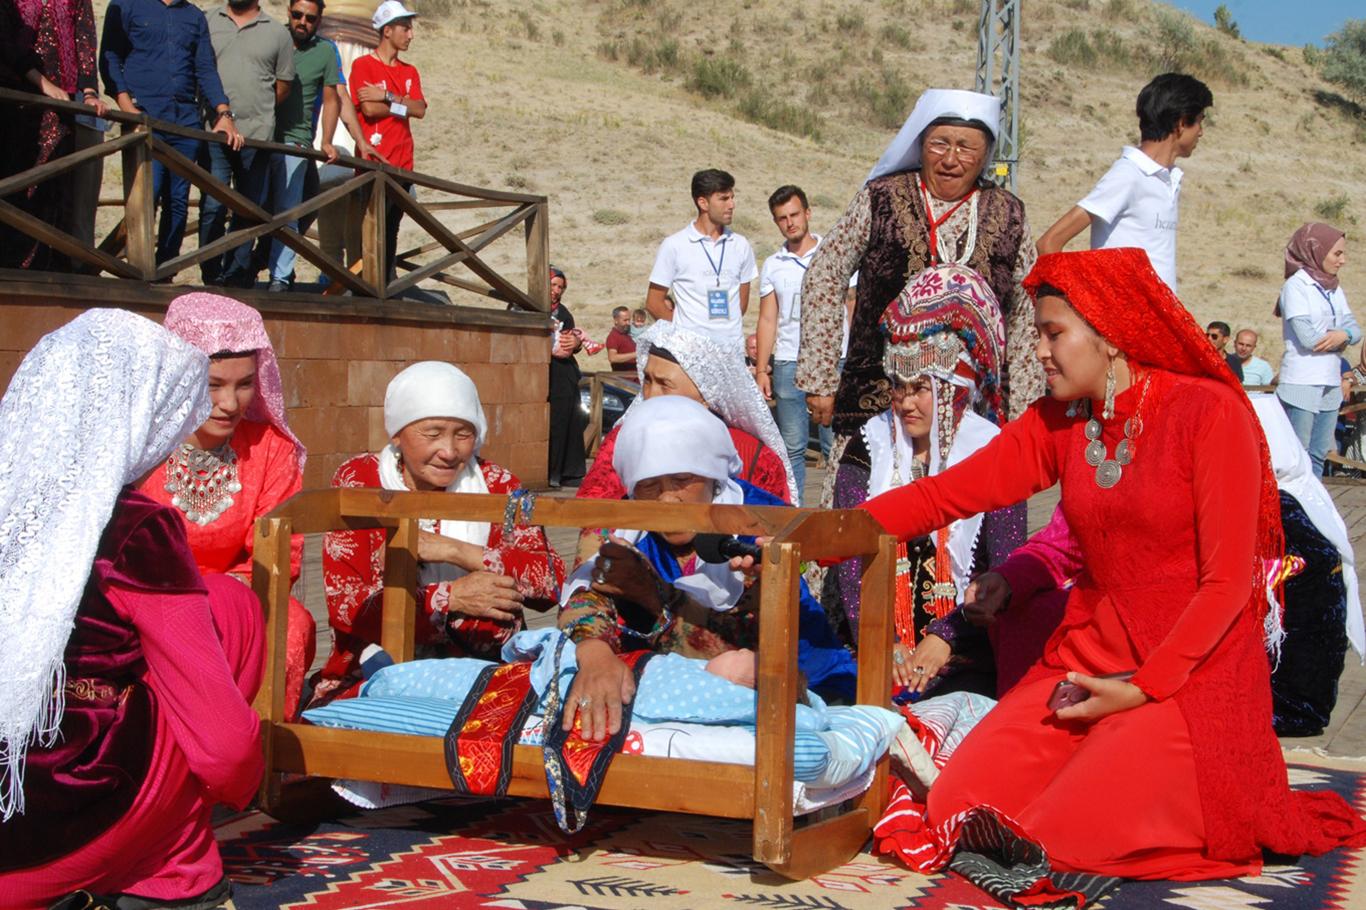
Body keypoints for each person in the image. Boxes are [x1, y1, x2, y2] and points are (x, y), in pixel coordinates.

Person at [864, 248, 1366, 897]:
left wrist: (1140, 689)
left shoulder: (1210, 413)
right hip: (1087, 660)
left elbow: (1225, 587)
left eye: (1053, 334)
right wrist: (818, 533)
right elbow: (945, 495)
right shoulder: (1060, 422)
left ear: (1109, 330)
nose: (1040, 351)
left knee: (1064, 833)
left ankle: (1150, 803)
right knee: (959, 803)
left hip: (1189, 679)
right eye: (1037, 334)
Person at [0, 310, 264, 909]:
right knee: (232, 607)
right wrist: (242, 786)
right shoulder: (134, 528)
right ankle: (174, 865)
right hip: (57, 840)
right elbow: (221, 747)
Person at [797, 88, 1044, 523]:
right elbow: (825, 271)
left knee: (962, 527)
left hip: (973, 414)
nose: (951, 159)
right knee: (858, 521)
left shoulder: (1008, 214)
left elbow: (1026, 307)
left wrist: (1023, 408)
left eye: (966, 147)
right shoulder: (883, 198)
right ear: (920, 145)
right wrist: (820, 377)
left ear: (986, 155)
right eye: (939, 144)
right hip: (879, 398)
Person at [559, 395, 857, 741]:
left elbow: (756, 651)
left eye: (681, 480)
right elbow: (583, 597)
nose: (667, 499)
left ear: (711, 474)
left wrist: (654, 600)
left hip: (795, 679)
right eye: (650, 485)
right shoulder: (621, 524)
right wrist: (595, 655)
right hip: (675, 686)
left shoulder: (759, 518)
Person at [312, 361, 565, 704]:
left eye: (463, 434)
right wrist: (450, 598)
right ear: (397, 433)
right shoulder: (361, 482)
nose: (449, 451)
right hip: (374, 670)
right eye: (432, 434)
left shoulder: (497, 485)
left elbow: (550, 582)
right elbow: (347, 607)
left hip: (482, 670)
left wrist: (455, 551)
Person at [828, 264, 1011, 697]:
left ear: (951, 389)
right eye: (898, 387)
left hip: (963, 647)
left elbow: (1004, 562)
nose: (906, 403)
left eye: (920, 388)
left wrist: (947, 636)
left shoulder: (993, 452)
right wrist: (881, 641)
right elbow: (850, 551)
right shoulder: (868, 445)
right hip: (872, 641)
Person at [137, 292, 315, 718]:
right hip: (144, 601)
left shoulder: (271, 450)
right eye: (212, 385)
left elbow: (279, 560)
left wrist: (213, 602)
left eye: (245, 384)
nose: (231, 404)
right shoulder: (138, 447)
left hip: (238, 605)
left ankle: (261, 763)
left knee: (292, 625)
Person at [576, 319, 797, 520]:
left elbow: (777, 532)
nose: (651, 395)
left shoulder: (752, 455)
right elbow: (593, 517)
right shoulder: (624, 440)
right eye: (648, 380)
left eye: (665, 384)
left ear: (706, 395)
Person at [1036, 73, 1212, 293]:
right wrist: (1070, 306)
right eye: (1199, 122)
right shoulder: (1129, 175)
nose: (1201, 133)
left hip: (1158, 322)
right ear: (1181, 123)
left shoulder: (1168, 178)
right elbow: (1050, 242)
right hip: (1123, 324)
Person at [99, 0, 242, 266]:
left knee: (177, 201)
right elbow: (109, 56)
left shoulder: (194, 16)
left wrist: (224, 114)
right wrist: (127, 107)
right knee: (144, 197)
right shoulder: (126, 6)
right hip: (144, 116)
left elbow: (205, 68)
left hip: (185, 121)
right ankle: (138, 269)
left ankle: (166, 269)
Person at [755, 184, 846, 503]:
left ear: (808, 213)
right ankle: (794, 516)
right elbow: (768, 319)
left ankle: (839, 517)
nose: (790, 222)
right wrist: (762, 369)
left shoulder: (834, 252)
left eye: (794, 214)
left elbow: (852, 305)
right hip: (788, 362)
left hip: (832, 360)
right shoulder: (773, 265)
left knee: (835, 443)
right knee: (792, 446)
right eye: (782, 218)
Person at [0, 0, 104, 270]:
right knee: (21, 184)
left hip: (63, 98)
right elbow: (6, 42)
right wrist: (39, 81)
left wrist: (89, 91)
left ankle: (54, 265)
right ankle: (17, 265)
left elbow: (85, 38)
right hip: (18, 95)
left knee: (58, 183)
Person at [201, 0, 294, 288]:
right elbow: (198, 68)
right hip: (213, 130)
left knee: (248, 210)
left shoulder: (277, 33)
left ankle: (236, 276)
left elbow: (282, 85)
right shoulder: (207, 20)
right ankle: (210, 271)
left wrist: (257, 112)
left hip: (257, 136)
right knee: (212, 206)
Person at [265, 0, 340, 292]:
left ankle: (280, 277)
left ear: (319, 20)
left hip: (296, 139)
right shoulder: (273, 38)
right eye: (297, 15)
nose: (302, 22)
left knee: (289, 210)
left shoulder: (324, 51)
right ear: (288, 12)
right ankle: (243, 267)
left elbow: (332, 98)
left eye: (310, 18)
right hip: (261, 133)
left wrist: (327, 140)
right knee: (250, 206)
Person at [351, 0, 425, 281]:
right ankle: (369, 283)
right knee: (373, 225)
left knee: (392, 226)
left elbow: (420, 110)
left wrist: (389, 98)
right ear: (387, 31)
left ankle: (386, 280)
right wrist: (402, 106)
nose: (410, 35)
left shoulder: (410, 71)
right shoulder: (364, 65)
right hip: (375, 160)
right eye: (405, 28)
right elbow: (368, 110)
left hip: (403, 162)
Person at [1277, 223, 1359, 476]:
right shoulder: (1296, 286)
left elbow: (1355, 330)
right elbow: (1308, 339)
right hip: (1302, 380)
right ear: (1316, 251)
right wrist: (1343, 337)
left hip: (1329, 379)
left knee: (1318, 453)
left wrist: (1343, 335)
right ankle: (1291, 509)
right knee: (1297, 453)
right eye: (1337, 254)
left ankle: (1312, 507)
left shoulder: (1333, 288)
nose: (1342, 260)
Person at [646, 168, 758, 345]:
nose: (732, 204)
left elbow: (741, 306)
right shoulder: (674, 245)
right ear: (703, 203)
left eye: (732, 197)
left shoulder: (741, 245)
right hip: (690, 354)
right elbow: (654, 303)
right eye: (723, 199)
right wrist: (684, 333)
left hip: (731, 350)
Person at [547, 266, 586, 488]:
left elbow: (572, 338)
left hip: (565, 374)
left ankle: (568, 472)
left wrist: (576, 344)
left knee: (570, 421)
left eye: (560, 287)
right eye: (553, 285)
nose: (556, 290)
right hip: (545, 372)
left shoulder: (563, 312)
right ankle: (551, 471)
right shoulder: (525, 307)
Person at [604, 305, 637, 373]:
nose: (628, 323)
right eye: (625, 320)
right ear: (616, 320)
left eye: (629, 320)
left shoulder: (626, 334)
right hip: (624, 380)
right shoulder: (613, 337)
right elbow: (612, 358)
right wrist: (636, 354)